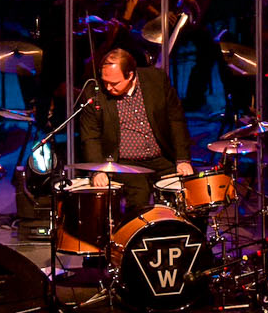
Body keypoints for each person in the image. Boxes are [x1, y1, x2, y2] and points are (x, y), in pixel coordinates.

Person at [75, 47, 194, 213]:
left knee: (188, 194)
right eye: (105, 81)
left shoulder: (157, 80)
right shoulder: (94, 93)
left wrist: (182, 159)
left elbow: (176, 120)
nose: (108, 88)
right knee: (139, 195)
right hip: (124, 162)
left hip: (160, 158)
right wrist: (98, 170)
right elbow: (90, 137)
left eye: (114, 83)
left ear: (130, 75)